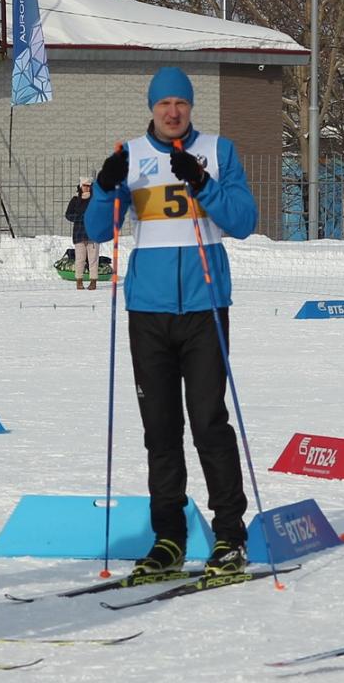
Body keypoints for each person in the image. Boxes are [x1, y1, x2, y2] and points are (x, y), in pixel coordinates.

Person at [84, 66, 258, 582]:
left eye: (181, 102)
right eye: (164, 104)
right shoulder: (132, 156)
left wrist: (203, 182)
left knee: (208, 422)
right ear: (152, 107)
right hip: (149, 311)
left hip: (205, 307)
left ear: (191, 106)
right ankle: (169, 538)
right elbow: (98, 229)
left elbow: (244, 222)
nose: (173, 111)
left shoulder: (219, 151)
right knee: (160, 429)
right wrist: (103, 185)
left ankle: (229, 535)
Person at [65, 178, 99, 289]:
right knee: (80, 259)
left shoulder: (95, 200)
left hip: (93, 234)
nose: (87, 187)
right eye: (84, 185)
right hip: (79, 234)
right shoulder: (75, 200)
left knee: (93, 259)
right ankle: (79, 281)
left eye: (89, 185)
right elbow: (68, 215)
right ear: (80, 186)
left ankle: (93, 281)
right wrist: (81, 217)